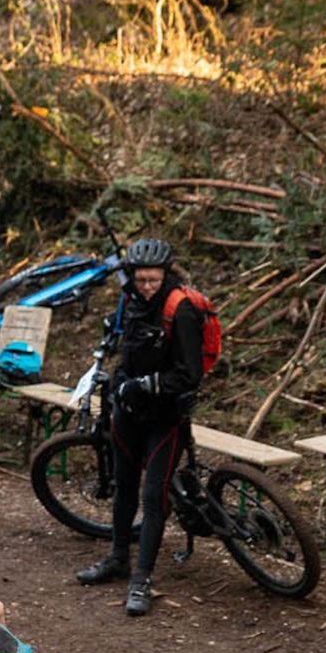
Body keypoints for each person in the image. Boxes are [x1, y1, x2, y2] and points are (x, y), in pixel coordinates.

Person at [74, 238, 215, 619]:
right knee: (123, 488)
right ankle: (118, 557)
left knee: (153, 499)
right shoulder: (129, 300)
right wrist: (119, 385)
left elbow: (188, 374)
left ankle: (142, 580)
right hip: (128, 412)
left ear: (165, 275)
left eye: (153, 280)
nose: (147, 286)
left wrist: (146, 385)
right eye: (141, 279)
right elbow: (125, 350)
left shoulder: (179, 310)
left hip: (164, 419)